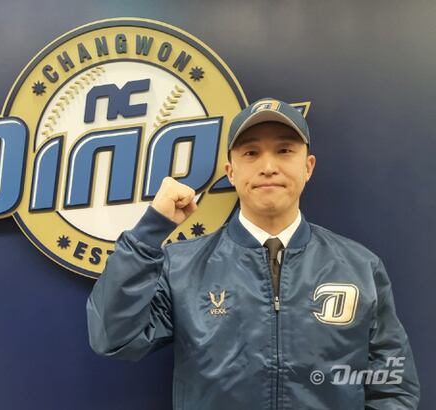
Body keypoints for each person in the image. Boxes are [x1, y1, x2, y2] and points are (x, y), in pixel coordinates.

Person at [86, 98, 420, 409]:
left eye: (284, 150)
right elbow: (113, 338)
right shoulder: (182, 267)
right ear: (231, 172)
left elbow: (393, 384)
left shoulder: (360, 266)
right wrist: (150, 231)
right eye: (251, 153)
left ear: (308, 167)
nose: (268, 166)